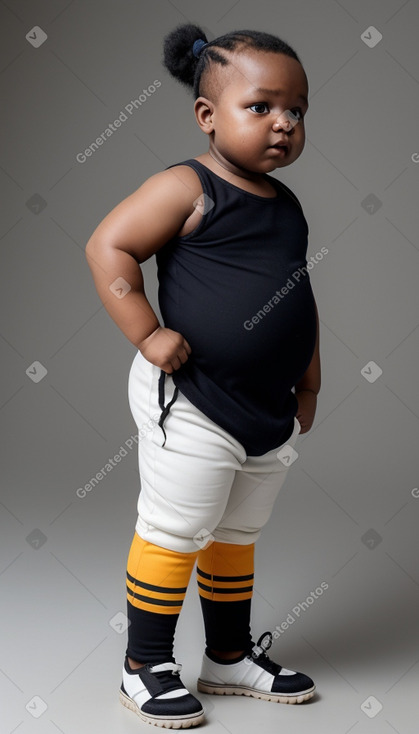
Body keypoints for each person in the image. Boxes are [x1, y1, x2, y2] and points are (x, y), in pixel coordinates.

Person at [85, 22, 321, 729]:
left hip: (264, 406)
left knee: (236, 532)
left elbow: (296, 297)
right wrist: (147, 331)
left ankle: (226, 656)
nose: (283, 123)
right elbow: (109, 246)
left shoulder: (287, 208)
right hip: (191, 399)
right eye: (262, 106)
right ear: (207, 115)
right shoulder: (186, 185)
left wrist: (306, 380)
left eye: (298, 110)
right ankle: (143, 666)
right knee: (176, 526)